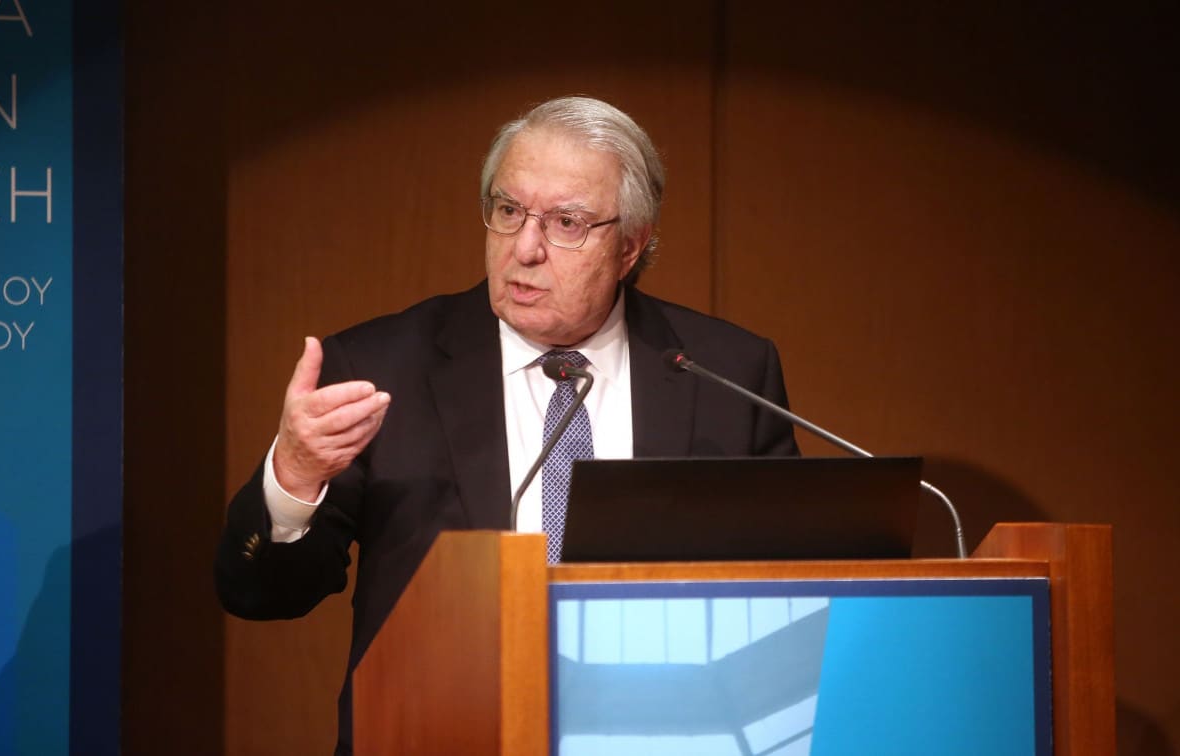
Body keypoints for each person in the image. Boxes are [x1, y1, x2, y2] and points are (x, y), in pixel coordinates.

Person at [215, 95, 799, 755]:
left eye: (567, 222)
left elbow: (792, 594)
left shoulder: (727, 373)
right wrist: (293, 477)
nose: (525, 248)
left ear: (630, 245)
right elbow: (260, 595)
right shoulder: (379, 370)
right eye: (509, 210)